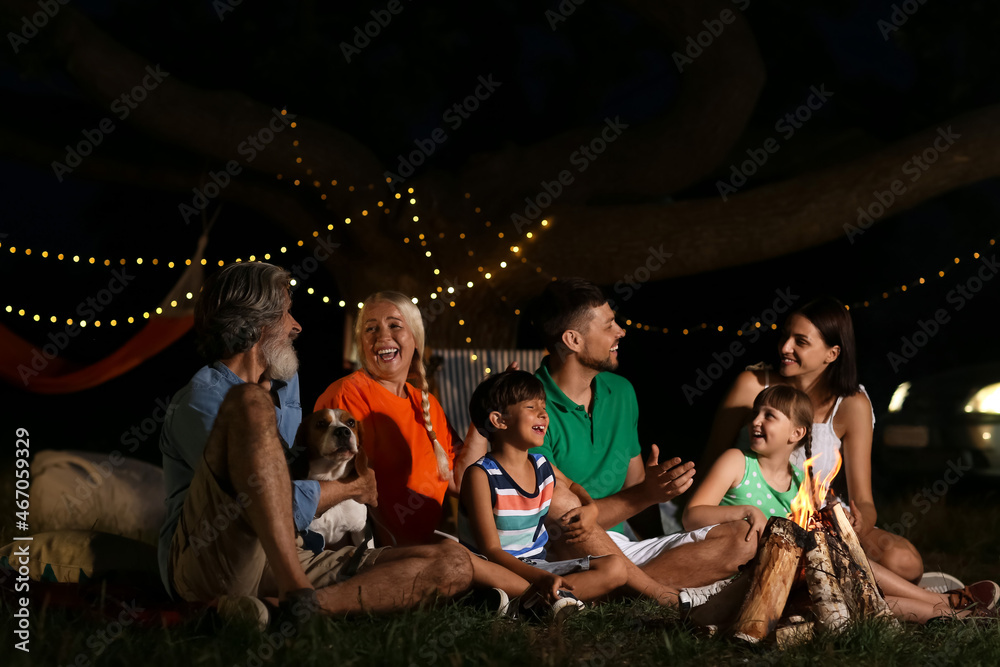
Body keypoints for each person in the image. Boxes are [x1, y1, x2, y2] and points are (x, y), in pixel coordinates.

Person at [158, 263, 473, 619]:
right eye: (286, 313)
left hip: (290, 554)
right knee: (250, 402)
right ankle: (295, 589)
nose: (297, 325)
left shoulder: (282, 386)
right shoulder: (201, 400)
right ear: (255, 321)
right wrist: (350, 489)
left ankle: (299, 610)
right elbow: (259, 502)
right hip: (214, 559)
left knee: (453, 563)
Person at [460, 278, 759, 606]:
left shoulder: (621, 392)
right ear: (573, 340)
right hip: (565, 549)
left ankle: (611, 590)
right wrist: (644, 495)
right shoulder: (530, 411)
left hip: (620, 547)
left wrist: (653, 492)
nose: (621, 331)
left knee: (742, 540)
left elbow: (635, 490)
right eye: (609, 325)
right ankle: (659, 595)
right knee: (560, 503)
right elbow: (560, 519)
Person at [688, 385, 1000, 624]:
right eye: (755, 414)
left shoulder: (801, 480)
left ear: (796, 433)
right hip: (745, 576)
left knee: (857, 585)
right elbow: (692, 515)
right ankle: (945, 603)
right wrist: (745, 511)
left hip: (791, 577)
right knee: (847, 573)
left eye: (768, 415)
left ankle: (951, 615)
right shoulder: (738, 462)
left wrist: (838, 521)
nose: (756, 421)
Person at [699, 296, 924, 582]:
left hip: (818, 518)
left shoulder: (852, 404)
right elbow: (710, 461)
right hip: (758, 517)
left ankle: (878, 592)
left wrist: (858, 523)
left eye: (800, 342)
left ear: (832, 353)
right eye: (784, 336)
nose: (784, 347)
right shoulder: (753, 385)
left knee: (905, 562)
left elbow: (864, 500)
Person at [460, 369, 629, 615]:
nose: (543, 414)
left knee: (616, 567)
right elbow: (491, 550)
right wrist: (540, 578)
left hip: (538, 566)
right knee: (470, 564)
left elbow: (572, 485)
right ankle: (546, 600)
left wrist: (590, 506)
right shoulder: (481, 475)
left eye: (544, 407)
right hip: (497, 568)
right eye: (531, 407)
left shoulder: (542, 465)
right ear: (498, 420)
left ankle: (532, 602)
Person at [313, 291, 460, 546]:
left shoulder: (428, 405)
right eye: (371, 329)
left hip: (422, 546)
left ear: (415, 337)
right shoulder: (347, 395)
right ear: (361, 342)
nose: (382, 336)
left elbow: (460, 480)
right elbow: (344, 493)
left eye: (394, 325)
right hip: (372, 551)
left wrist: (488, 415)